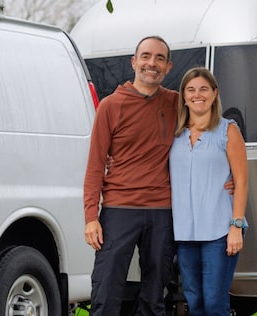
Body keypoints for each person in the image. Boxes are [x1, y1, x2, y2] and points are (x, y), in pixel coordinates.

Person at [83, 35, 178, 316]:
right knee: (106, 290)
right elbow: (95, 165)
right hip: (119, 209)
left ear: (168, 67)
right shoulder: (111, 106)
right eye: (146, 56)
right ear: (134, 62)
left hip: (163, 210)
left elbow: (209, 131)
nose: (152, 63)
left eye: (160, 58)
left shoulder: (176, 104)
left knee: (155, 295)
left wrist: (230, 175)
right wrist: (91, 216)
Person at [169, 66, 248, 316]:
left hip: (219, 232)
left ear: (214, 93)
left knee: (215, 303)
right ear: (183, 95)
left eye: (203, 89)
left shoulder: (228, 131)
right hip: (185, 234)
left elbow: (242, 180)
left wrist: (236, 226)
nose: (197, 95)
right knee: (195, 303)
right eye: (191, 90)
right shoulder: (175, 135)